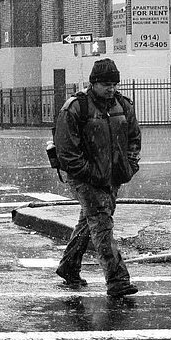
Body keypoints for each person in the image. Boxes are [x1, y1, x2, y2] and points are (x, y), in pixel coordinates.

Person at [53, 58, 141, 298]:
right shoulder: (75, 107)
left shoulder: (123, 105)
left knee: (89, 221)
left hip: (113, 176)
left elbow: (133, 138)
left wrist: (129, 166)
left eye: (113, 83)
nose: (110, 88)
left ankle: (69, 266)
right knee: (102, 224)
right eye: (105, 83)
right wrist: (90, 173)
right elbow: (67, 151)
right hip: (86, 179)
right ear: (93, 83)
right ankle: (117, 280)